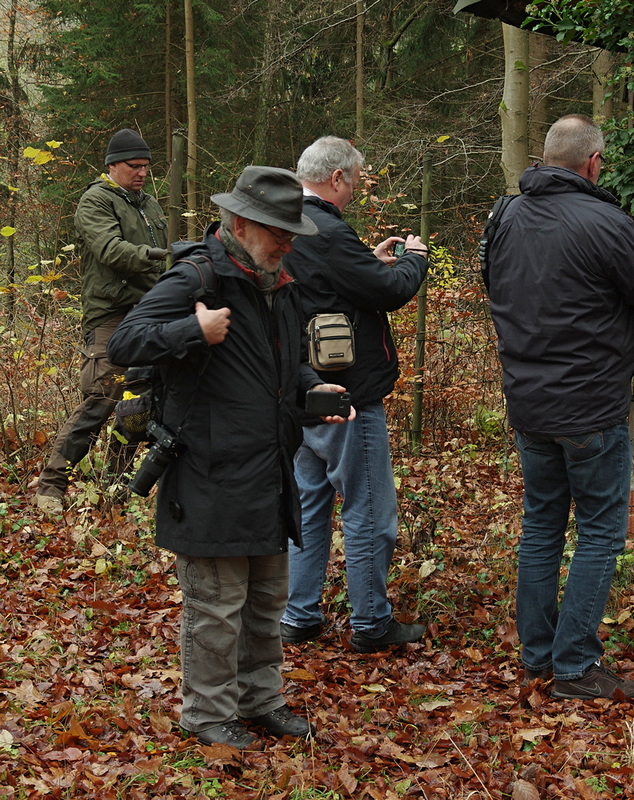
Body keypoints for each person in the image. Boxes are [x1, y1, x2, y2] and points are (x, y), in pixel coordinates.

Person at [107, 166, 354, 750]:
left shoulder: (280, 282)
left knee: (267, 599)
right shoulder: (197, 274)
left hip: (267, 472)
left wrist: (311, 393)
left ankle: (260, 699)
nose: (288, 244)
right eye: (279, 233)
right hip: (207, 473)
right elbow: (124, 343)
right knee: (217, 607)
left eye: (293, 235)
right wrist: (191, 328)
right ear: (242, 224)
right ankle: (207, 713)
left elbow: (286, 363)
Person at [483, 115, 634, 700]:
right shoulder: (605, 221)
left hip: (529, 404)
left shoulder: (506, 216)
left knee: (541, 526)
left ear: (546, 159)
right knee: (599, 533)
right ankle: (573, 667)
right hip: (589, 407)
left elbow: (495, 284)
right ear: (593, 163)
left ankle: (538, 656)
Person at [279, 136, 429, 653]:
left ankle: (298, 614)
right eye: (356, 181)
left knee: (308, 504)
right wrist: (414, 259)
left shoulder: (284, 223)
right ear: (337, 178)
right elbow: (390, 293)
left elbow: (328, 284)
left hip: (300, 388)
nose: (357, 190)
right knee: (367, 509)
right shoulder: (326, 228)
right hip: (348, 394)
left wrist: (366, 259)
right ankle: (371, 623)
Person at [34, 128, 169, 515]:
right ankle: (51, 487)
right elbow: (111, 250)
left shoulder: (150, 205)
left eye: (146, 166)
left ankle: (115, 487)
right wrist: (159, 255)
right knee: (102, 396)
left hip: (148, 313)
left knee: (140, 402)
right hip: (111, 314)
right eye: (134, 166)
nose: (142, 173)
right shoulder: (95, 201)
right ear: (112, 165)